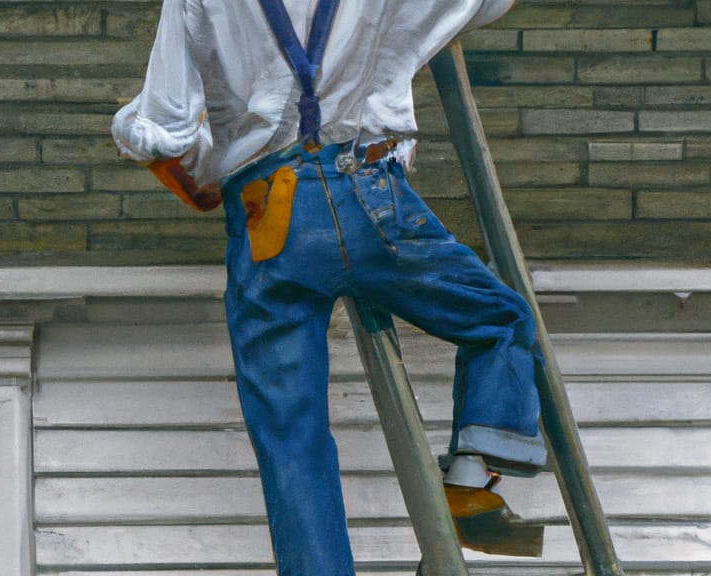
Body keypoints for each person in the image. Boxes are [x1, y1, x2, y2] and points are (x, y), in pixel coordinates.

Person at [112, 1, 545, 574]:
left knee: (289, 435)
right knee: (501, 320)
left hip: (265, 216)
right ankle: (469, 484)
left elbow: (162, 131)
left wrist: (197, 164)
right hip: (364, 192)